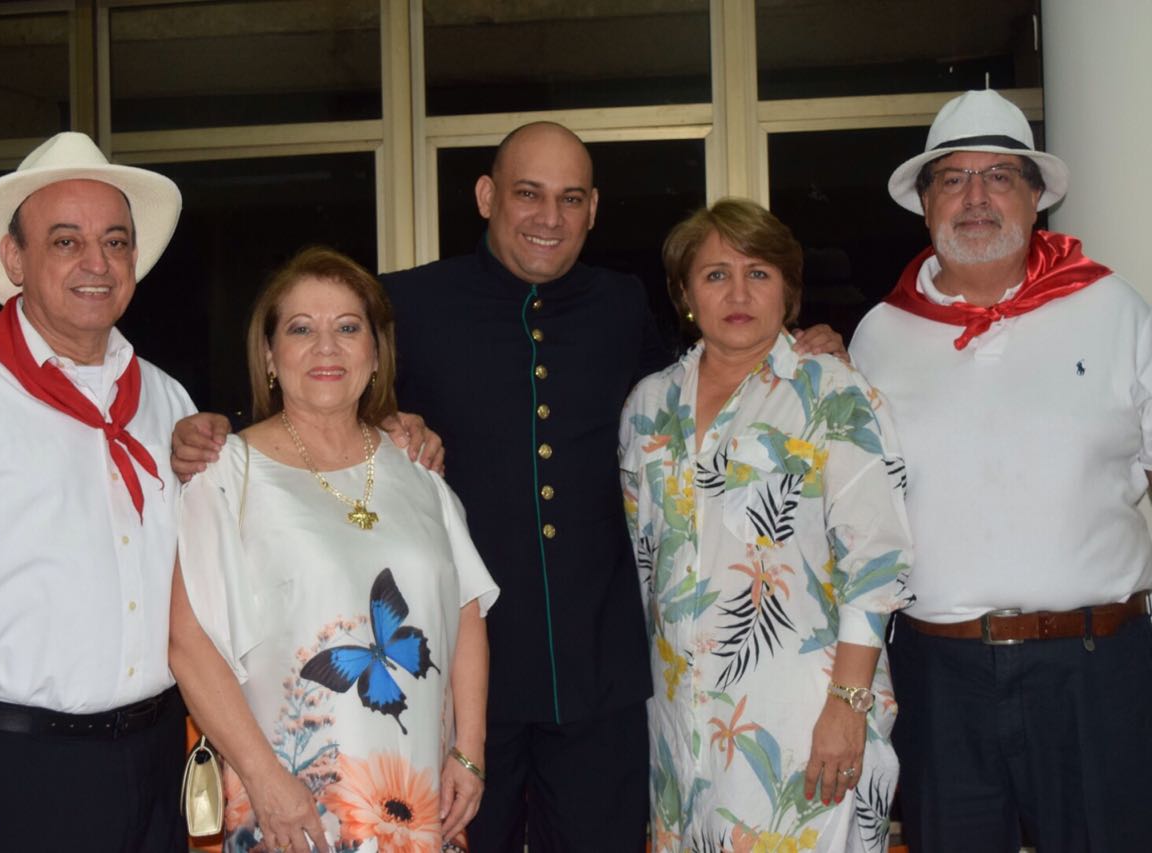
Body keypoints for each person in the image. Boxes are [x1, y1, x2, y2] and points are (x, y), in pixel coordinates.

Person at [173, 122, 846, 851]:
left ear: (593, 210)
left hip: (598, 677)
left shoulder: (620, 304)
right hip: (461, 688)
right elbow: (318, 391)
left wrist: (798, 350)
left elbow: (699, 391)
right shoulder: (413, 301)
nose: (549, 217)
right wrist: (211, 427)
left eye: (571, 199)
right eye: (528, 194)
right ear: (487, 197)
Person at [0, 132, 193, 851]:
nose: (96, 263)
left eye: (115, 242)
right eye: (65, 241)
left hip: (155, 761)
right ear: (14, 259)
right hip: (9, 768)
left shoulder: (165, 399)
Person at [849, 89, 1152, 851]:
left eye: (1000, 177)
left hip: (1094, 672)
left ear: (1036, 197)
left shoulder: (1116, 310)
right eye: (953, 179)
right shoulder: (878, 336)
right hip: (938, 677)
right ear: (926, 204)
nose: (976, 197)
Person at [169, 246, 498, 853]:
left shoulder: (417, 467)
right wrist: (266, 782)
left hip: (421, 798)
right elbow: (190, 646)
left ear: (375, 352)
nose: (327, 347)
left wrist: (469, 752)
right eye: (301, 329)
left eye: (348, 328)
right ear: (270, 355)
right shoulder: (226, 475)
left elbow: (465, 609)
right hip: (291, 806)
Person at [620, 198, 913, 852]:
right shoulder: (646, 408)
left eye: (759, 272)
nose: (738, 292)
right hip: (679, 727)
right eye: (715, 274)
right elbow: (642, 566)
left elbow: (877, 562)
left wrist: (848, 706)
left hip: (804, 722)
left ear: (789, 289)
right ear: (684, 294)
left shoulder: (834, 392)